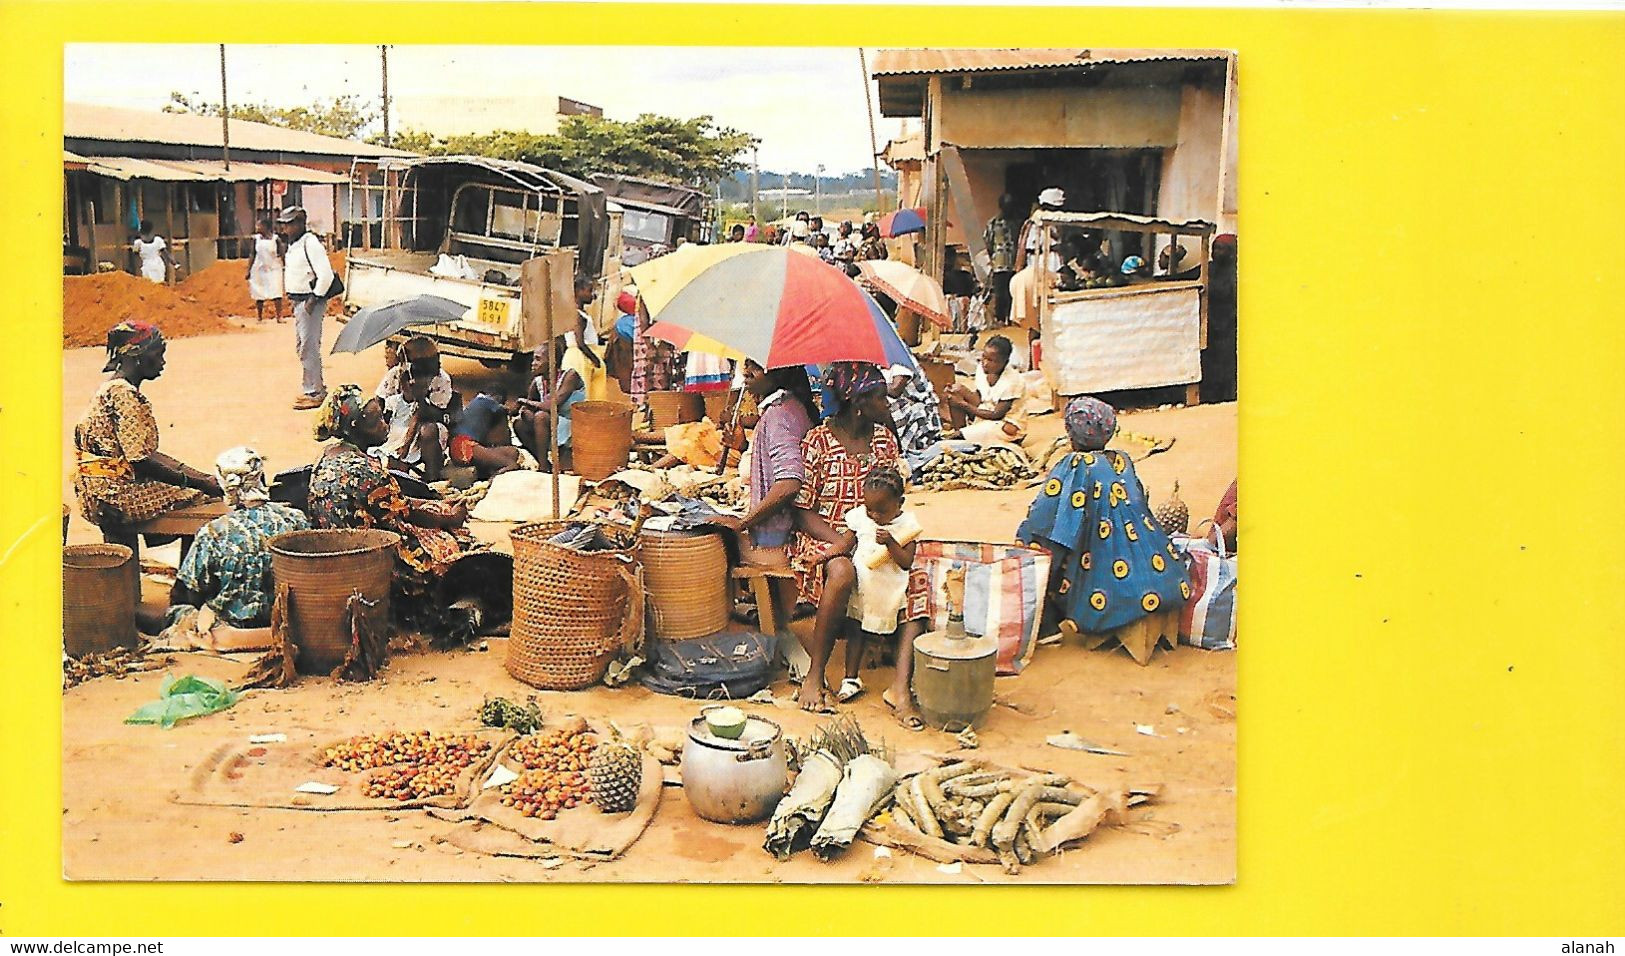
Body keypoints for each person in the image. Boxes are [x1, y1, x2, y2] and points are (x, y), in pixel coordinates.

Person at [787, 363, 930, 713]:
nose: (888, 403)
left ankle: (900, 685)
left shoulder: (883, 439)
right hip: (825, 533)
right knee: (842, 572)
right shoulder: (818, 441)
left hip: (876, 533)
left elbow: (896, 497)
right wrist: (842, 539)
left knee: (919, 573)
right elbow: (802, 510)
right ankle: (815, 675)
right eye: (881, 397)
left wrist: (881, 535)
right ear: (858, 403)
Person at [307, 385, 481, 624]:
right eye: (376, 421)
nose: (384, 424)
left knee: (436, 511)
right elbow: (407, 514)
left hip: (337, 552)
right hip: (372, 560)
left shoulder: (328, 457)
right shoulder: (366, 471)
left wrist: (433, 502)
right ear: (356, 428)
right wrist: (451, 518)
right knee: (449, 546)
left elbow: (387, 502)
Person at [1016, 397, 1189, 638]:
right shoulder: (1122, 460)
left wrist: (1027, 534)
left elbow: (1047, 518)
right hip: (1169, 577)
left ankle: (1047, 621)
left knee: (1037, 540)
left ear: (1071, 432)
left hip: (1115, 590)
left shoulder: (1074, 465)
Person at [73, 322, 222, 555]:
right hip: (113, 495)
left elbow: (147, 455)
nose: (162, 362)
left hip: (96, 488)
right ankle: (185, 585)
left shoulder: (111, 387)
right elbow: (140, 461)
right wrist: (199, 483)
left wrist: (201, 475)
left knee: (193, 487)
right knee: (203, 500)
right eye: (158, 355)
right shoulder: (125, 396)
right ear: (138, 357)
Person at [709, 361, 819, 667]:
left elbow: (789, 482)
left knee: (709, 543)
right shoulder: (793, 406)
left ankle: (746, 627)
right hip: (788, 528)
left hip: (775, 540)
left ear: (779, 373)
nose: (746, 374)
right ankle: (773, 617)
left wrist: (744, 522)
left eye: (755, 368)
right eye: (746, 367)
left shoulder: (779, 415)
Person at [170, 447, 309, 631]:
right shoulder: (295, 519)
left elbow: (188, 592)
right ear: (260, 476)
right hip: (283, 620)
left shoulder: (214, 533)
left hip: (230, 626)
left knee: (175, 611)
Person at [826, 468, 924, 712]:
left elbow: (906, 561)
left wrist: (891, 542)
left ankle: (901, 681)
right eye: (870, 508)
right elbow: (845, 544)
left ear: (899, 503)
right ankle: (851, 678)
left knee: (899, 626)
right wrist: (823, 556)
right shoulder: (861, 518)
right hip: (863, 588)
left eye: (882, 510)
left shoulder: (907, 525)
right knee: (855, 629)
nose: (874, 515)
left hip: (892, 589)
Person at [518, 314, 606, 471]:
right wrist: (525, 410)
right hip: (553, 425)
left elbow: (552, 405)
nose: (533, 364)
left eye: (538, 359)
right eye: (534, 359)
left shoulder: (570, 375)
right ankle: (544, 461)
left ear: (552, 362)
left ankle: (544, 466)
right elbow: (527, 408)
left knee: (541, 416)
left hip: (573, 425)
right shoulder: (538, 381)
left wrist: (526, 403)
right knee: (521, 423)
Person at [278, 206, 337, 411]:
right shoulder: (295, 244)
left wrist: (314, 298)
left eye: (289, 224)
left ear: (300, 223)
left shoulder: (310, 243)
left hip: (310, 302)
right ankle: (311, 387)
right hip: (299, 302)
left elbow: (326, 275)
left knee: (308, 346)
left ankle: (315, 392)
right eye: (284, 224)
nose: (285, 228)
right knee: (302, 345)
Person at [374, 336, 455, 481]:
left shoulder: (441, 379)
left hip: (428, 424)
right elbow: (379, 400)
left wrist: (419, 397)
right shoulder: (396, 374)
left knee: (427, 431)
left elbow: (435, 413)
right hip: (397, 422)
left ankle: (432, 476)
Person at [945, 335, 1026, 445]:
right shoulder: (981, 369)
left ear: (1005, 362)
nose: (985, 363)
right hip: (986, 410)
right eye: (984, 357)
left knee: (1006, 428)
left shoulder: (1013, 381)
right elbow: (980, 395)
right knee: (956, 391)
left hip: (1002, 423)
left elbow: (997, 414)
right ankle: (962, 433)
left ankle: (963, 435)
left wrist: (963, 404)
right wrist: (958, 396)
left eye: (991, 360)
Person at [881, 362, 944, 467]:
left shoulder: (900, 361)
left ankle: (901, 451)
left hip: (914, 406)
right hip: (895, 403)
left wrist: (875, 385)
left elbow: (895, 390)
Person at [449, 391, 523, 478]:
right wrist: (521, 403)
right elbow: (509, 410)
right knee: (511, 465)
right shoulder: (486, 400)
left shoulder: (478, 407)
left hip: (468, 447)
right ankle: (493, 483)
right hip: (462, 444)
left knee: (512, 453)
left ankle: (489, 475)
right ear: (498, 397)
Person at [981, 194, 1022, 323]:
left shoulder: (1017, 223)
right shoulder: (993, 223)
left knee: (1012, 292)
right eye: (1006, 205)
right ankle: (999, 319)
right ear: (1001, 206)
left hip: (1014, 263)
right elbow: (987, 241)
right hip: (999, 264)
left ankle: (1010, 319)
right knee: (999, 293)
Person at [245, 217, 285, 322]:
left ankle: (279, 316)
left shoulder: (276, 239)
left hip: (274, 268)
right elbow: (252, 254)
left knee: (277, 291)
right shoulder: (256, 239)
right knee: (259, 292)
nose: (257, 227)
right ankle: (259, 317)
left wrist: (286, 266)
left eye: (259, 225)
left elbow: (282, 254)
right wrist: (248, 270)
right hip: (259, 269)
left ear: (266, 227)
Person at [131, 220, 176, 284]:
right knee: (160, 284)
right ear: (152, 230)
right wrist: (174, 263)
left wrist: (136, 270)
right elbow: (166, 254)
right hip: (158, 265)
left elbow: (135, 259)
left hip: (146, 267)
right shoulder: (158, 240)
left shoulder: (138, 243)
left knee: (149, 285)